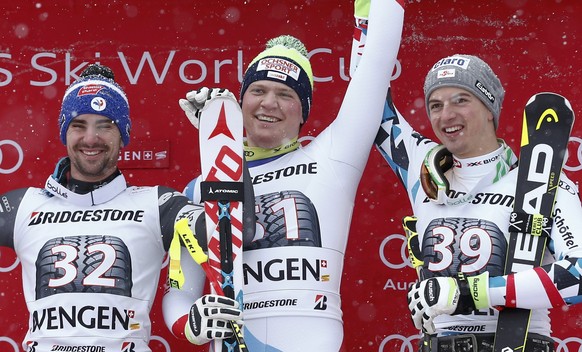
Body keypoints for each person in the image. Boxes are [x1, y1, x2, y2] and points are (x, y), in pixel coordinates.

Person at [161, 0, 405, 350]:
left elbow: (377, 62)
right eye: (258, 90)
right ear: (241, 101)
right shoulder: (200, 187)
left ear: (303, 110)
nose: (269, 103)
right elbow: (179, 289)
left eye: (285, 94)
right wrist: (191, 322)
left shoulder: (332, 156)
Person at [367, 49, 582, 350]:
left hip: (520, 342)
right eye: (436, 105)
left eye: (461, 100)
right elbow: (369, 94)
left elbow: (577, 275)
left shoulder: (541, 180)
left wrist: (471, 291)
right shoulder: (422, 169)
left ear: (489, 108)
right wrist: (368, 14)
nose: (446, 115)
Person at [0, 64, 204, 352]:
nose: (91, 138)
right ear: (64, 133)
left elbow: (232, 230)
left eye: (105, 125)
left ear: (123, 134)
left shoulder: (157, 204)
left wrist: (220, 139)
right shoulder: (23, 205)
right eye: (78, 125)